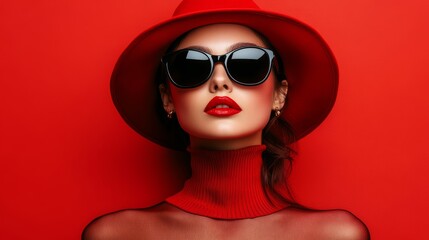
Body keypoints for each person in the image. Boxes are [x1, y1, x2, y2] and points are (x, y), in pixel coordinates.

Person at [82, 0, 370, 239]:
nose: (219, 81)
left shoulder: (336, 235)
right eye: (191, 66)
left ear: (279, 95)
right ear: (167, 98)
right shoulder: (116, 235)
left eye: (247, 63)